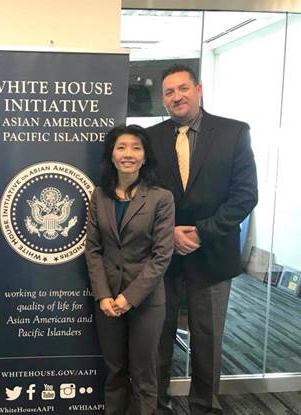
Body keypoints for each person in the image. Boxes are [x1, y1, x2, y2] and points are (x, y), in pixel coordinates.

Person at [147, 64, 258, 414]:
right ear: (163, 99)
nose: (176, 96)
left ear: (199, 89)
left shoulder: (233, 132)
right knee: (158, 337)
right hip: (162, 256)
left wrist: (201, 233)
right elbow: (142, 196)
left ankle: (203, 407)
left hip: (212, 253)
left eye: (183, 88)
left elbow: (245, 195)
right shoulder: (150, 138)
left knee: (207, 340)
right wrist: (168, 233)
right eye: (169, 92)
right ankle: (156, 404)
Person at [86, 124, 175, 415]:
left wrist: (129, 297)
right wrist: (103, 295)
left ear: (145, 156)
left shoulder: (161, 198)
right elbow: (93, 249)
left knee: (144, 373)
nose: (128, 154)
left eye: (136, 148)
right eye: (121, 147)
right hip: (107, 300)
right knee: (114, 372)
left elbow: (161, 256)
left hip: (146, 300)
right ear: (111, 156)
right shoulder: (99, 196)